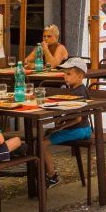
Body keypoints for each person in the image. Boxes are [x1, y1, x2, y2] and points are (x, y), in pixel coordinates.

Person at [41, 57, 92, 188]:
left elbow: (77, 119)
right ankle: (45, 173)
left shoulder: (78, 93)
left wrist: (60, 127)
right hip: (82, 128)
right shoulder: (79, 89)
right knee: (45, 137)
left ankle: (52, 176)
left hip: (79, 129)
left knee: (43, 143)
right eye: (64, 73)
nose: (65, 76)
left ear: (80, 76)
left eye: (69, 74)